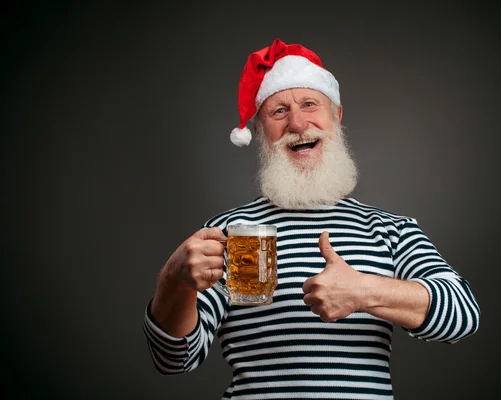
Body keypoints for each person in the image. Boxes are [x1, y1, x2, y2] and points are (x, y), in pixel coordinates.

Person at [143, 38, 480, 399]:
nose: (298, 124)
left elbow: (462, 315)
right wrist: (173, 281)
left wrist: (364, 291)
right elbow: (174, 359)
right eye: (278, 112)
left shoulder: (389, 229)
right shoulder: (234, 234)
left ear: (336, 115)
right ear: (260, 130)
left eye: (309, 105)